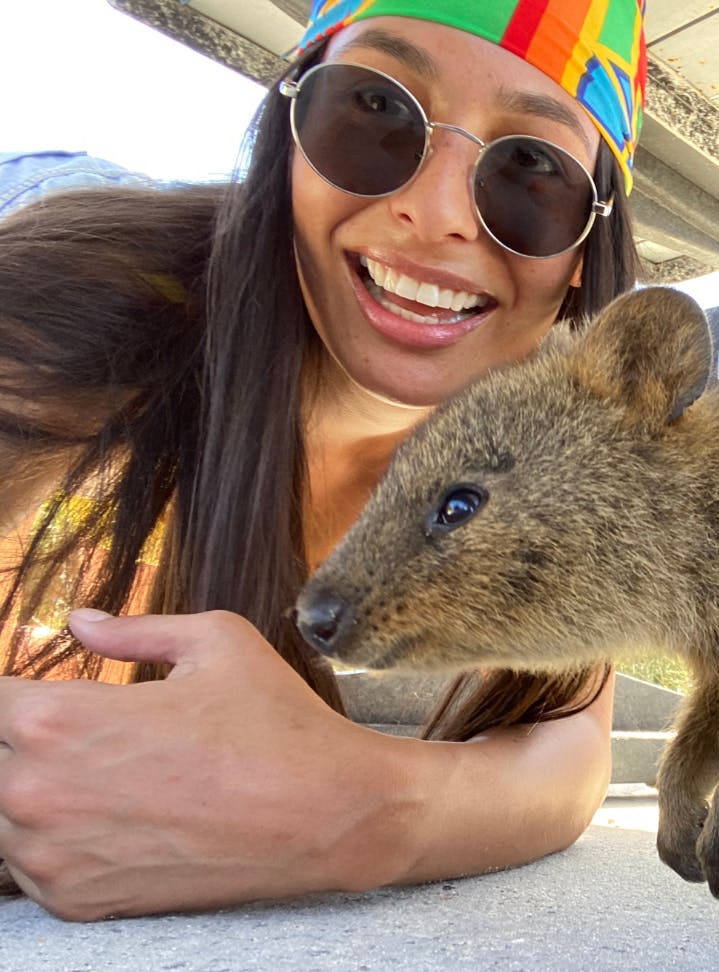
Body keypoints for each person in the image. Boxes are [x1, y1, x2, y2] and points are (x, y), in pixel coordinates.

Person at [0, 0, 646, 921]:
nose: (435, 213)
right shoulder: (86, 307)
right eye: (375, 111)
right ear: (289, 136)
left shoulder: (559, 458)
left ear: (585, 250)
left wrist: (366, 811)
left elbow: (571, 752)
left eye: (530, 168)